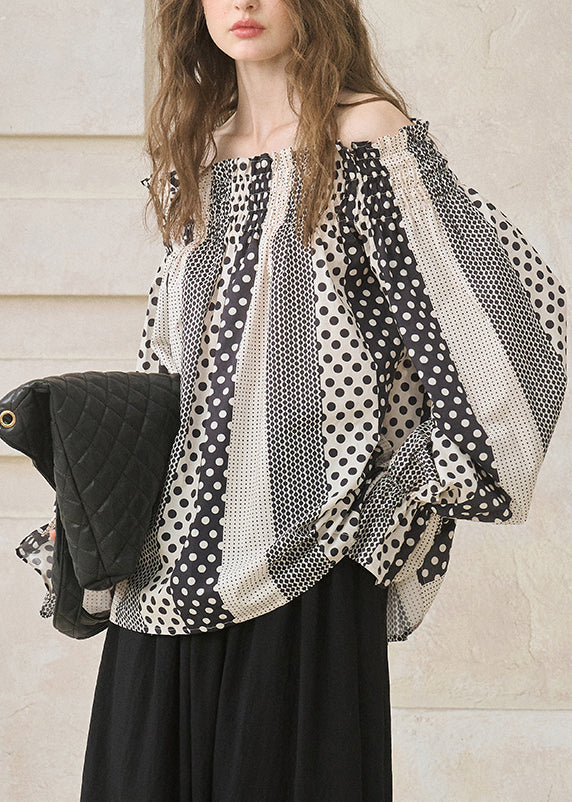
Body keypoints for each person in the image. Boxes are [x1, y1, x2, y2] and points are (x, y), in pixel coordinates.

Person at [17, 0, 566, 799]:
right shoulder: (197, 153)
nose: (242, 3)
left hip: (306, 563)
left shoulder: (366, 139)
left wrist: (383, 511)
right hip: (166, 568)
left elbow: (511, 337)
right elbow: (170, 363)